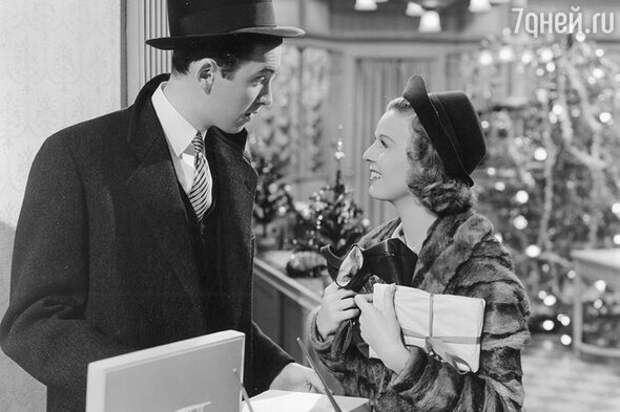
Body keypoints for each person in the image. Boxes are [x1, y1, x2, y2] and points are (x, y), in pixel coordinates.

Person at [0, 1, 322, 410]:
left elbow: (219, 316)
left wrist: (276, 369)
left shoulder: (231, 163)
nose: (269, 99)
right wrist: (146, 386)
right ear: (207, 73)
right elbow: (33, 322)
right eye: (260, 80)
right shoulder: (77, 156)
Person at [309, 75, 531, 411]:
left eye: (384, 143)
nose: (368, 154)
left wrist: (403, 361)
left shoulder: (484, 275)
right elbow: (356, 380)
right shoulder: (371, 250)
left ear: (427, 162)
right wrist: (326, 329)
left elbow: (504, 406)